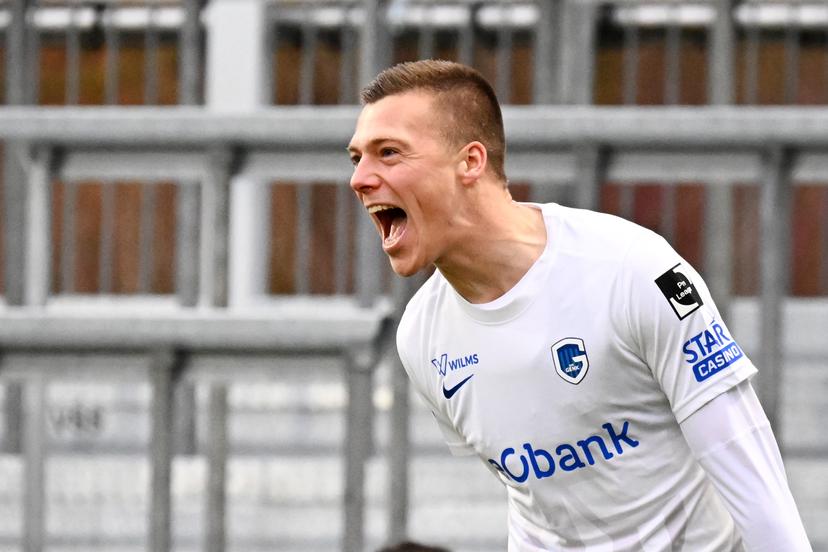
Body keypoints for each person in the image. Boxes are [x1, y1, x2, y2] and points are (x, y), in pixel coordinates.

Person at [347, 59, 812, 551]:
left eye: (389, 153)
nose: (360, 178)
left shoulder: (633, 269)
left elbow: (752, 477)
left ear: (471, 161)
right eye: (356, 158)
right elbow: (538, 503)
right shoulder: (421, 334)